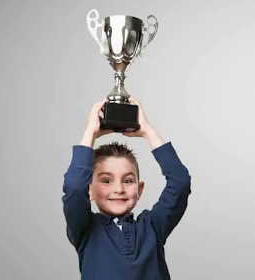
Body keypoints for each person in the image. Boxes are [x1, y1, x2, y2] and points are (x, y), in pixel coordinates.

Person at [62, 96, 192, 280]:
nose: (119, 189)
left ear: (140, 190)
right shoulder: (85, 229)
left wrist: (147, 131)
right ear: (89, 189)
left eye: (127, 181)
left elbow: (180, 182)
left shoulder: (153, 226)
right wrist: (90, 132)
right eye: (106, 181)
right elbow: (74, 187)